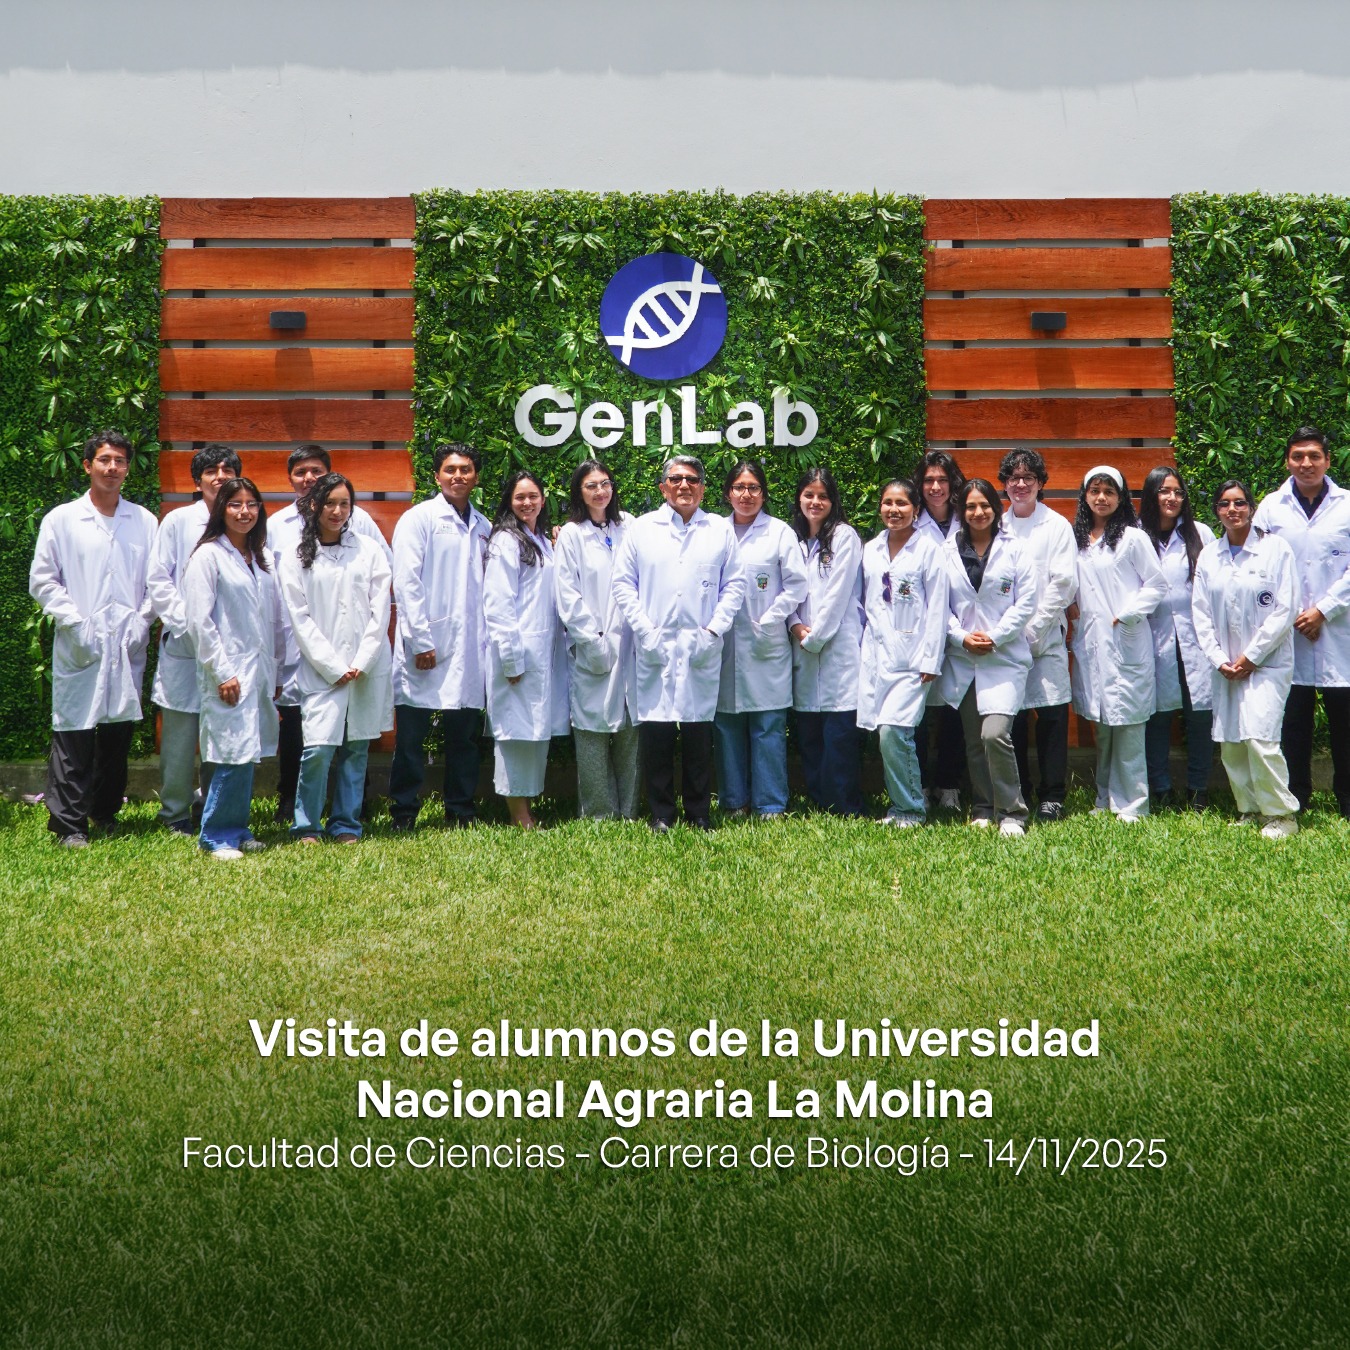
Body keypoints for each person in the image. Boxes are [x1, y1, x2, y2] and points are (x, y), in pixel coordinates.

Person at [29, 431, 158, 848]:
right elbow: (43, 581)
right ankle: (69, 824)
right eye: (104, 460)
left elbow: (157, 582)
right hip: (80, 642)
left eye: (120, 461)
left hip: (126, 640)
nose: (112, 468)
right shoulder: (62, 519)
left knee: (117, 734)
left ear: (128, 468)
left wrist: (142, 621)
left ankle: (104, 811)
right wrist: (76, 622)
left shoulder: (144, 521)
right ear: (88, 466)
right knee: (74, 732)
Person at [612, 455, 746, 832]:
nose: (684, 485)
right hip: (654, 643)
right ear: (663, 488)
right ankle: (661, 813)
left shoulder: (719, 530)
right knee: (656, 732)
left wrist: (714, 630)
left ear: (703, 488)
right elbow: (623, 584)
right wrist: (645, 630)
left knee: (698, 733)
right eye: (675, 479)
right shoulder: (642, 530)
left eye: (692, 479)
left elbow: (734, 584)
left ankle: (699, 812)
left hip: (701, 644)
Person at [267, 443, 390, 823]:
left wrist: (361, 660)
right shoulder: (295, 554)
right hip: (320, 667)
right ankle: (306, 821)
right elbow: (298, 616)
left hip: (364, 665)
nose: (337, 511)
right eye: (329, 504)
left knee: (356, 748)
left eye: (344, 504)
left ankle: (347, 821)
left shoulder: (369, 549)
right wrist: (333, 665)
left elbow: (381, 608)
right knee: (317, 748)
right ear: (315, 506)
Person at [1192, 480, 1301, 838]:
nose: (1232, 510)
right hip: (1225, 666)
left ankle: (1282, 814)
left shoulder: (1276, 549)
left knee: (1260, 737)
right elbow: (1200, 613)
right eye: (1224, 504)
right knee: (1232, 741)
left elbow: (1286, 608)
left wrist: (1252, 657)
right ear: (1217, 511)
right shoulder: (1210, 555)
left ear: (1252, 508)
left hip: (1267, 663)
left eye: (1240, 503)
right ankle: (1250, 808)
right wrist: (1218, 658)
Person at [182, 478, 284, 859]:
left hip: (257, 671)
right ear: (221, 509)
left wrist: (274, 673)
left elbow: (272, 619)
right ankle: (216, 835)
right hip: (227, 672)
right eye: (235, 504)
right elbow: (199, 621)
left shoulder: (261, 557)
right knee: (229, 752)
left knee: (247, 752)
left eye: (252, 504)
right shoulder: (208, 556)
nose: (245, 511)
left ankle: (238, 828)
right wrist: (222, 672)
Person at [1251, 426, 1350, 816]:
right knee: (1293, 722)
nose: (1306, 463)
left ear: (1328, 460)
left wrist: (1323, 610)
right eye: (1298, 456)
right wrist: (1289, 611)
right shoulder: (1271, 508)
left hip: (1339, 630)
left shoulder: (1347, 505)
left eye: (1314, 456)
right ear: (1287, 461)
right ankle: (1296, 795)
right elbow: (1260, 566)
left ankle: (1347, 798)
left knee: (1345, 721)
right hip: (1288, 629)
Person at [146, 442, 240, 834]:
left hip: (229, 645)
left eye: (227, 470)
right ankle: (175, 812)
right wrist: (185, 622)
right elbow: (158, 578)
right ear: (197, 480)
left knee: (222, 731)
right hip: (184, 642)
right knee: (181, 735)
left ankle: (212, 808)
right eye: (211, 471)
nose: (220, 476)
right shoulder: (179, 521)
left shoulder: (244, 518)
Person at [936, 478, 1036, 835]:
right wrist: (961, 637)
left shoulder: (1016, 549)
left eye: (985, 505)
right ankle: (982, 806)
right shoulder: (947, 551)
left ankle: (1011, 812)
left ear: (996, 508)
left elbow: (1027, 602)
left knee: (995, 734)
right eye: (970, 507)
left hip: (1004, 656)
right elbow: (938, 605)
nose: (978, 512)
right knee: (974, 740)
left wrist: (995, 637)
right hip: (964, 657)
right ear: (961, 512)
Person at [1069, 467, 1166, 821]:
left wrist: (1128, 615)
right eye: (1094, 490)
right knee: (1105, 728)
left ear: (1121, 498)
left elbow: (1157, 584)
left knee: (1128, 728)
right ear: (1085, 496)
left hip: (1125, 641)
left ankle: (1133, 806)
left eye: (1109, 491)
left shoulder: (1132, 538)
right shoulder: (1079, 539)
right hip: (1092, 644)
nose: (1101, 497)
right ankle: (1105, 797)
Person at [714, 460, 808, 819]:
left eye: (753, 487)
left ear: (764, 494)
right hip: (723, 645)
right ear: (728, 493)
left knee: (768, 727)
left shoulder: (779, 532)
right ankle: (734, 801)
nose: (746, 494)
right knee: (727, 727)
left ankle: (770, 803)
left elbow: (797, 584)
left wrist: (770, 618)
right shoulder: (715, 531)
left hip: (765, 642)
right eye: (739, 487)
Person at [857, 479, 949, 826]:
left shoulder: (928, 551)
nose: (893, 510)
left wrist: (931, 659)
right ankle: (902, 806)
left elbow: (938, 608)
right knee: (887, 734)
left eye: (901, 504)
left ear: (916, 510)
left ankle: (910, 808)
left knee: (894, 731)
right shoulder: (871, 549)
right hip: (878, 656)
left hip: (913, 658)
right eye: (887, 503)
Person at [553, 459, 639, 820]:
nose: (600, 491)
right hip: (593, 643)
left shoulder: (629, 525)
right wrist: (591, 641)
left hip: (631, 645)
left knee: (631, 732)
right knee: (591, 730)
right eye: (591, 486)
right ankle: (599, 814)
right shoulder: (572, 535)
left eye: (605, 483)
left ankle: (629, 811)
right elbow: (567, 596)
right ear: (579, 492)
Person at [483, 470, 569, 829]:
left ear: (543, 500)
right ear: (509, 501)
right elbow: (497, 604)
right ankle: (519, 814)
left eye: (533, 496)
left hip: (542, 653)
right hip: (517, 653)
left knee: (534, 732)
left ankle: (527, 807)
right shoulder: (506, 540)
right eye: (520, 497)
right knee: (514, 734)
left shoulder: (540, 540)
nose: (527, 502)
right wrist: (511, 658)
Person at [998, 448, 1078, 822]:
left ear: (1041, 483)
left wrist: (1033, 630)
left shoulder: (1056, 526)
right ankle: (1020, 791)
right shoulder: (998, 526)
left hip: (1045, 640)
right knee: (1011, 720)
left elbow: (1063, 583)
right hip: (1006, 643)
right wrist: (1010, 633)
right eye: (1013, 477)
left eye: (1028, 477)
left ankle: (1053, 795)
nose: (1020, 484)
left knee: (1052, 717)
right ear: (1004, 484)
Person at [1139, 465, 1216, 810]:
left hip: (1197, 638)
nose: (1172, 498)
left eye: (1178, 492)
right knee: (1157, 716)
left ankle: (1199, 789)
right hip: (1152, 637)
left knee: (1200, 716)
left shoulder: (1201, 533)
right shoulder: (1136, 535)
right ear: (1151, 494)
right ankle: (1161, 788)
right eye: (1164, 491)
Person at [789, 466, 865, 816]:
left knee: (839, 735)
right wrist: (794, 625)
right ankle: (820, 802)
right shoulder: (793, 540)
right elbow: (785, 591)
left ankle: (846, 806)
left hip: (836, 648)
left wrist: (815, 637)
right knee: (810, 734)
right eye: (809, 495)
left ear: (833, 501)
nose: (815, 502)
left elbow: (837, 595)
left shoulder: (844, 537)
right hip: (803, 645)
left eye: (823, 496)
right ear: (799, 499)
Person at [914, 449, 967, 809]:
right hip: (921, 631)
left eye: (942, 480)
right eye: (929, 480)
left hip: (964, 629)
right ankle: (917, 784)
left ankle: (949, 785)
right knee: (916, 714)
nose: (936, 487)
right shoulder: (911, 522)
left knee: (954, 711)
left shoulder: (969, 519)